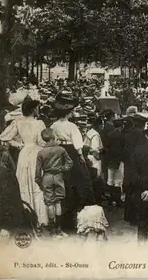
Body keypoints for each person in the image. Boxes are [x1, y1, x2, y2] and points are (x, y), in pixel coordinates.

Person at [0, 99, 49, 229]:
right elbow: (41, 141)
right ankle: (40, 220)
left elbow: (4, 136)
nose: (38, 110)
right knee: (37, 184)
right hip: (36, 153)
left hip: (24, 153)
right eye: (37, 108)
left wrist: (19, 145)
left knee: (24, 183)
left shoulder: (18, 122)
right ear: (33, 109)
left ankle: (25, 217)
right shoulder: (39, 123)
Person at [50, 97, 96, 233]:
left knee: (63, 183)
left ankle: (64, 221)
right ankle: (81, 218)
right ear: (68, 113)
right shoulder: (72, 126)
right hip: (71, 153)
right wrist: (81, 157)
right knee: (79, 183)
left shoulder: (53, 126)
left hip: (59, 152)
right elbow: (78, 145)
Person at [35, 128, 73, 237]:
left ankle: (52, 231)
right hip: (58, 177)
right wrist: (62, 169)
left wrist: (39, 182)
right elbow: (70, 163)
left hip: (46, 177)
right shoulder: (61, 150)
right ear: (53, 137)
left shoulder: (41, 153)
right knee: (58, 203)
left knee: (50, 204)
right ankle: (59, 230)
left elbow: (37, 172)